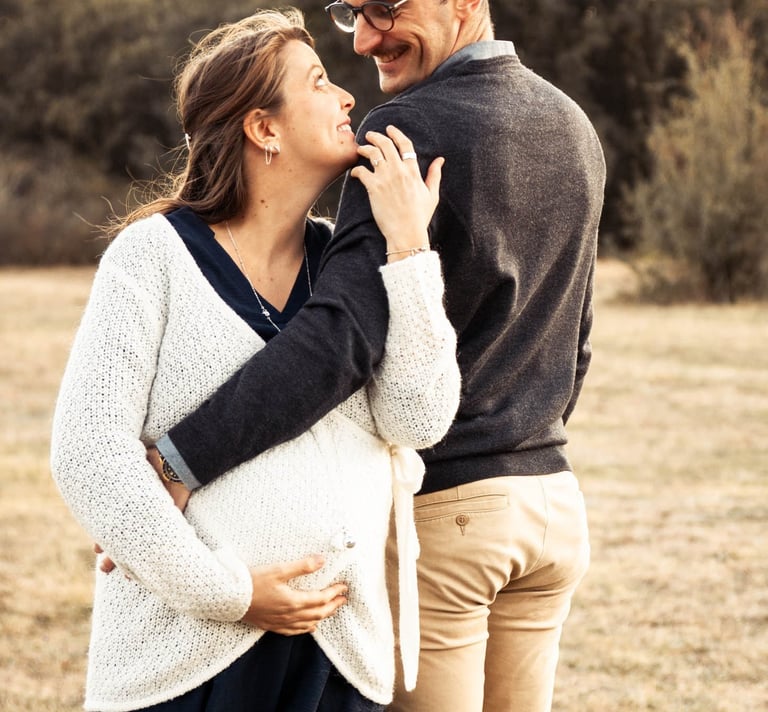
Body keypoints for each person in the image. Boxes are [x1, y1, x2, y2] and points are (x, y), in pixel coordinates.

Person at [142, 0, 606, 710]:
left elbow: (341, 339)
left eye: (386, 8)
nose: (364, 38)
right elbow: (577, 342)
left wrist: (184, 458)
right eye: (353, 12)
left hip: (447, 518)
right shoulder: (572, 124)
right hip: (553, 507)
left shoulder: (405, 131)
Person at [50, 9, 462, 712]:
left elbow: (417, 419)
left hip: (334, 661)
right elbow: (88, 452)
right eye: (319, 82)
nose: (348, 98)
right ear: (263, 128)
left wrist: (409, 249)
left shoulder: (346, 264)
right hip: (183, 664)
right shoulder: (153, 257)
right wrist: (231, 596)